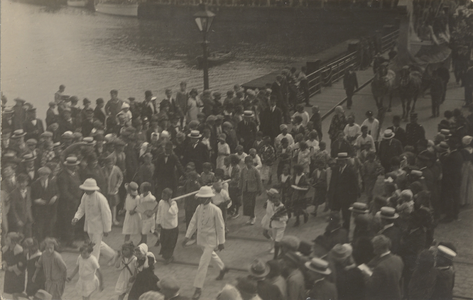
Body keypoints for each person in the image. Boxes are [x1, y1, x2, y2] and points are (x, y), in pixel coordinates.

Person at [182, 186, 228, 299]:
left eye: (204, 198)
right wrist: (187, 236)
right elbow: (193, 221)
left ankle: (198, 288)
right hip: (201, 239)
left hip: (211, 240)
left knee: (203, 263)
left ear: (209, 198)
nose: (202, 200)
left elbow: (220, 227)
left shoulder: (216, 210)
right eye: (200, 198)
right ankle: (222, 268)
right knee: (211, 255)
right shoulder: (199, 208)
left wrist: (221, 241)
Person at [72, 178, 117, 264]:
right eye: (85, 189)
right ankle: (113, 255)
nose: (86, 191)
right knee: (96, 243)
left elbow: (106, 214)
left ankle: (93, 266)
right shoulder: (85, 196)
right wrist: (76, 217)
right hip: (89, 225)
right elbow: (81, 208)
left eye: (88, 189)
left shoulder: (100, 198)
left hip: (99, 226)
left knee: (94, 247)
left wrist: (107, 229)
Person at [363, 235, 404, 300]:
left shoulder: (380, 267)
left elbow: (372, 286)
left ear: (380, 248)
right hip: (396, 295)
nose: (374, 251)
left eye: (375, 248)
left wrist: (365, 275)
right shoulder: (398, 259)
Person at [328, 152, 359, 230]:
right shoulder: (335, 170)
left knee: (346, 217)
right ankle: (333, 230)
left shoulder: (351, 171)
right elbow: (332, 183)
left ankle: (345, 233)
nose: (340, 162)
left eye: (342, 161)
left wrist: (353, 200)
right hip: (336, 198)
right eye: (339, 161)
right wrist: (330, 195)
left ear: (346, 161)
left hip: (346, 199)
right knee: (333, 216)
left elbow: (355, 186)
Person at [57, 156, 83, 249]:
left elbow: (79, 184)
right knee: (69, 222)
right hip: (67, 204)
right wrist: (73, 199)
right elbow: (64, 192)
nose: (75, 167)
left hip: (76, 201)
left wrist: (79, 196)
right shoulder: (63, 176)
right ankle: (69, 241)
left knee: (73, 221)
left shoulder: (75, 173)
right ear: (69, 166)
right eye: (73, 166)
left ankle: (71, 238)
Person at [30, 166, 58, 242]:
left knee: (49, 228)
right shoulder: (34, 184)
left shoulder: (52, 183)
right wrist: (36, 201)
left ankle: (48, 245)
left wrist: (55, 197)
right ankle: (39, 246)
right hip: (39, 211)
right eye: (41, 174)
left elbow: (57, 193)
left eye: (45, 174)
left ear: (48, 175)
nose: (43, 176)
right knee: (39, 229)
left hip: (50, 210)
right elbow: (31, 198)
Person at [261, 189, 288, 259]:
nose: (268, 196)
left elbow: (284, 215)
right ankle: (272, 242)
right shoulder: (269, 201)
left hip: (274, 221)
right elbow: (265, 208)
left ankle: (274, 247)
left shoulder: (278, 204)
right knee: (265, 233)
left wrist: (277, 218)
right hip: (268, 218)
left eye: (269, 195)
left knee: (276, 237)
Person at [156, 188, 179, 264]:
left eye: (164, 195)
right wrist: (158, 222)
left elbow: (173, 212)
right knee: (163, 242)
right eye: (162, 194)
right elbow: (159, 212)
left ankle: (169, 257)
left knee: (170, 243)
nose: (162, 196)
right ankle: (167, 256)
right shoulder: (161, 202)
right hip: (164, 226)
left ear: (169, 196)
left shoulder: (173, 203)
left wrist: (170, 204)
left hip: (172, 228)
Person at [240, 155, 264, 225]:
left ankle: (253, 216)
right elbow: (241, 179)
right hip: (245, 189)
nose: (248, 164)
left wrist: (260, 189)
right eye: (247, 162)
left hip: (253, 189)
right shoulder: (243, 170)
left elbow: (259, 180)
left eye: (250, 162)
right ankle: (250, 217)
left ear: (252, 163)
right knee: (247, 204)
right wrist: (240, 187)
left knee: (252, 203)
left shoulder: (255, 170)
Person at [2, 232, 27, 300]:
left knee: (16, 292)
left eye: (7, 240)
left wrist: (13, 268)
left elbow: (22, 263)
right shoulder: (6, 249)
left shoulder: (19, 251)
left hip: (17, 275)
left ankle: (26, 297)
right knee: (11, 292)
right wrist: (4, 264)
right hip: (9, 274)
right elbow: (4, 258)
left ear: (13, 241)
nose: (5, 242)